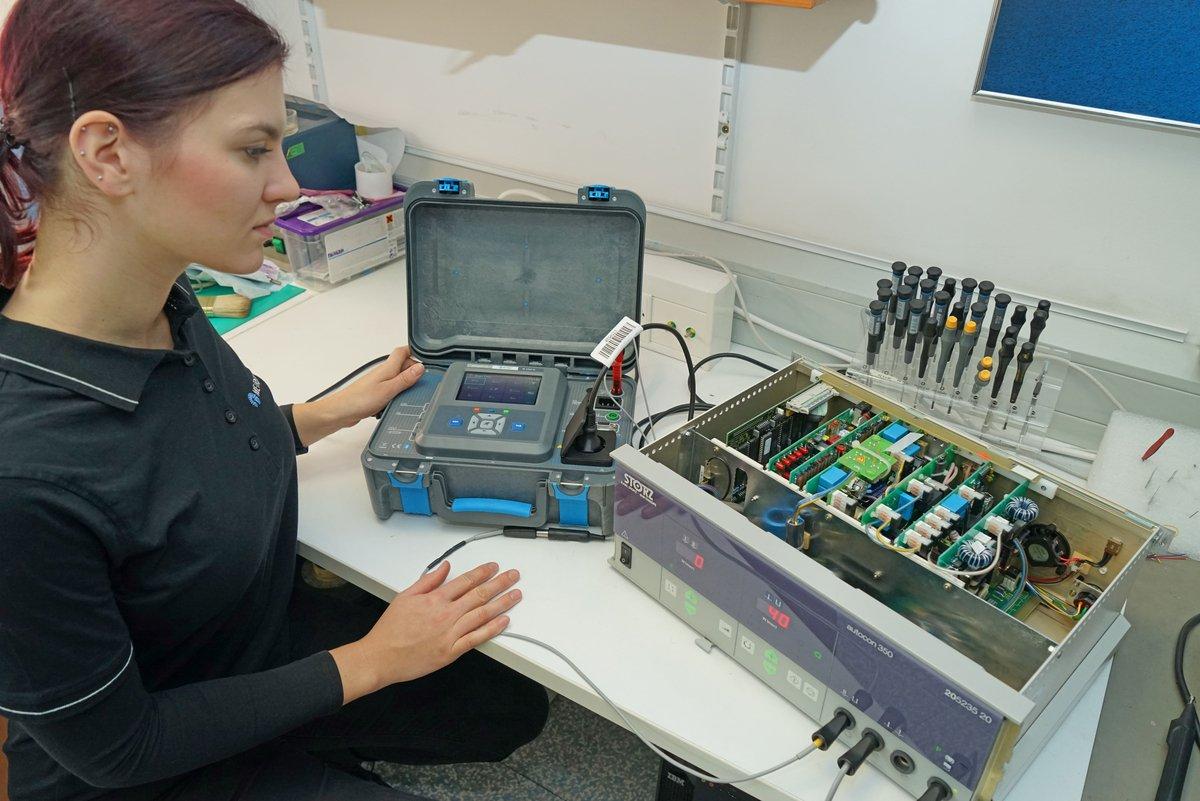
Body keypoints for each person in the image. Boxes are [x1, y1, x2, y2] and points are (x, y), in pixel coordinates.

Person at [0, 2, 548, 799]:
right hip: (145, 768)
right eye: (253, 149)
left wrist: (323, 414)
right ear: (108, 153)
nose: (288, 186)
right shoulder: (24, 476)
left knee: (506, 706)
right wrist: (373, 661)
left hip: (235, 642)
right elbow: (120, 749)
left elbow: (169, 464)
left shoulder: (160, 296)